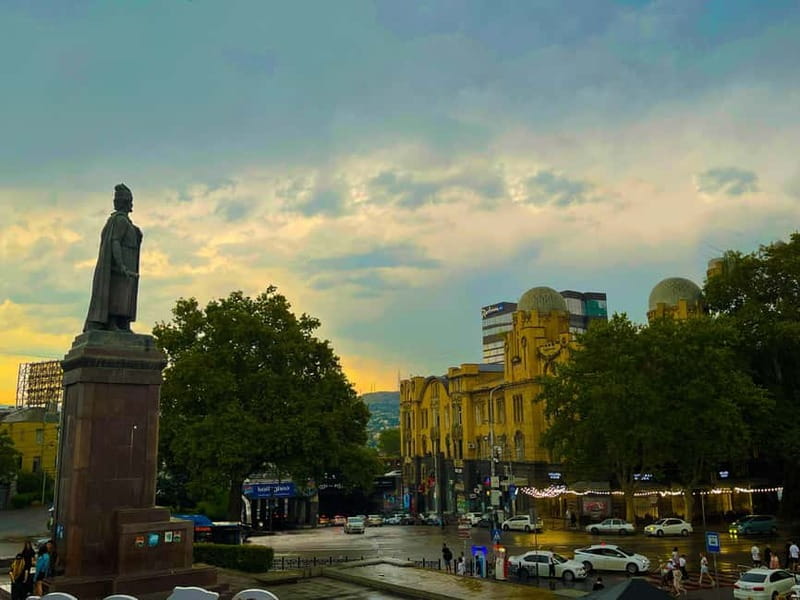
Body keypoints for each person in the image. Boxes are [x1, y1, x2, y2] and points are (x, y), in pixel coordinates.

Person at [84, 183, 143, 332]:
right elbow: (115, 241)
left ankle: (124, 323)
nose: (132, 204)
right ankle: (112, 323)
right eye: (130, 201)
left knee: (126, 295)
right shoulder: (119, 220)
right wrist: (120, 264)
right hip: (120, 266)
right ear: (125, 203)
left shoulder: (127, 223)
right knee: (118, 293)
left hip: (129, 264)